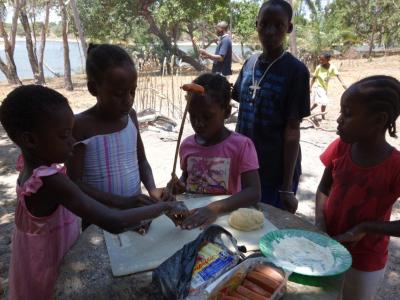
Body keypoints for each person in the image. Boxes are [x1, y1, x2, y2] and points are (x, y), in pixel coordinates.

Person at [0, 85, 187, 300]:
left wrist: (129, 201)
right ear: (31, 140)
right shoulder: (50, 182)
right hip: (46, 265)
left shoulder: (30, 168)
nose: (72, 141)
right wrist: (163, 207)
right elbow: (113, 221)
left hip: (31, 259)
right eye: (64, 135)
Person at [66, 44, 174, 229]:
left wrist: (152, 189)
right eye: (118, 94)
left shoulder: (130, 117)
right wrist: (121, 202)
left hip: (134, 213)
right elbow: (75, 182)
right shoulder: (81, 126)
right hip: (99, 220)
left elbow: (142, 161)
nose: (128, 99)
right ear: (94, 89)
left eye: (132, 91)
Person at [315, 75, 400, 300]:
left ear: (378, 120)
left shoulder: (395, 165)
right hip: (327, 247)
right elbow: (324, 187)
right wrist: (320, 223)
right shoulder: (341, 147)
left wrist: (365, 228)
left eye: (348, 114)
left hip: (364, 261)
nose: (339, 119)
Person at [232, 0, 310, 213]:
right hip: (245, 166)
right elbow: (240, 113)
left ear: (289, 28)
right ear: (256, 24)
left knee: (268, 229)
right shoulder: (250, 63)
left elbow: (292, 130)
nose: (270, 31)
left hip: (275, 172)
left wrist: (286, 188)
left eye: (279, 26)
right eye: (264, 24)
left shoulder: (296, 71)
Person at [168, 73, 261, 229]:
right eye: (193, 115)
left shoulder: (241, 146)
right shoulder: (187, 145)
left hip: (225, 221)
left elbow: (254, 192)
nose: (198, 123)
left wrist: (214, 208)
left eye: (207, 116)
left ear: (226, 112)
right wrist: (179, 185)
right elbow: (187, 176)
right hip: (194, 218)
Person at [310, 52, 347, 119]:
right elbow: (314, 77)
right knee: (324, 101)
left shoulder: (332, 67)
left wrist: (343, 83)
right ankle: (323, 116)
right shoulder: (318, 67)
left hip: (324, 88)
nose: (320, 61)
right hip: (319, 87)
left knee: (316, 103)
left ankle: (308, 111)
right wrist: (310, 87)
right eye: (320, 59)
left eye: (322, 60)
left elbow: (338, 75)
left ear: (328, 60)